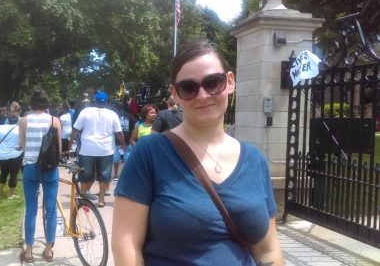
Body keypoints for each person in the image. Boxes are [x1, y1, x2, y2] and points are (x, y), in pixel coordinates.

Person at [112, 40, 283, 265]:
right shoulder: (150, 154)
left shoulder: (254, 160)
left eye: (213, 82)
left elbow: (268, 252)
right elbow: (126, 246)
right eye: (189, 87)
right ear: (175, 93)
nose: (202, 95)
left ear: (230, 82)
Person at [18, 90, 61, 263]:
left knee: (31, 209)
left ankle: (28, 251)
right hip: (50, 167)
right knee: (50, 209)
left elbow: (22, 145)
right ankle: (49, 250)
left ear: (31, 104)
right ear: (46, 104)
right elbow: (58, 147)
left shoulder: (24, 121)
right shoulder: (54, 121)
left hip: (30, 166)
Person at [68, 91, 126, 208]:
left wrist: (70, 144)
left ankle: (83, 200)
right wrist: (123, 143)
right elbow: (119, 132)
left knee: (85, 174)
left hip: (87, 149)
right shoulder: (112, 114)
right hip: (105, 149)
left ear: (95, 101)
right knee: (104, 175)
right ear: (107, 102)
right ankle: (101, 200)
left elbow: (75, 130)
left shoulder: (85, 112)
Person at [0, 101, 22, 199]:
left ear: (7, 119)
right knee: (13, 175)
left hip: (2, 155)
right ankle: (10, 194)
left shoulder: (0, 127)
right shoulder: (19, 129)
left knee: (3, 173)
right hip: (15, 155)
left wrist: (1, 143)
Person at [112, 102, 137, 180]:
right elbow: (136, 124)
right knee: (127, 156)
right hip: (127, 139)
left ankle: (116, 174)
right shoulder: (129, 116)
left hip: (116, 139)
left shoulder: (115, 116)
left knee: (116, 156)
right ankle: (126, 174)